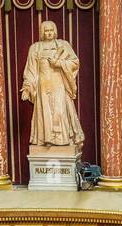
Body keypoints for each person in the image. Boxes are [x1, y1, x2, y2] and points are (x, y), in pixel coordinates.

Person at [20, 20, 84, 151]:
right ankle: (46, 139)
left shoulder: (63, 45)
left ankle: (62, 140)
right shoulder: (35, 47)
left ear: (54, 31)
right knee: (45, 112)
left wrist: (59, 63)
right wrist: (27, 87)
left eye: (50, 30)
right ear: (42, 33)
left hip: (58, 83)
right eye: (46, 31)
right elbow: (31, 69)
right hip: (43, 84)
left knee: (59, 111)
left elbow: (74, 62)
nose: (48, 33)